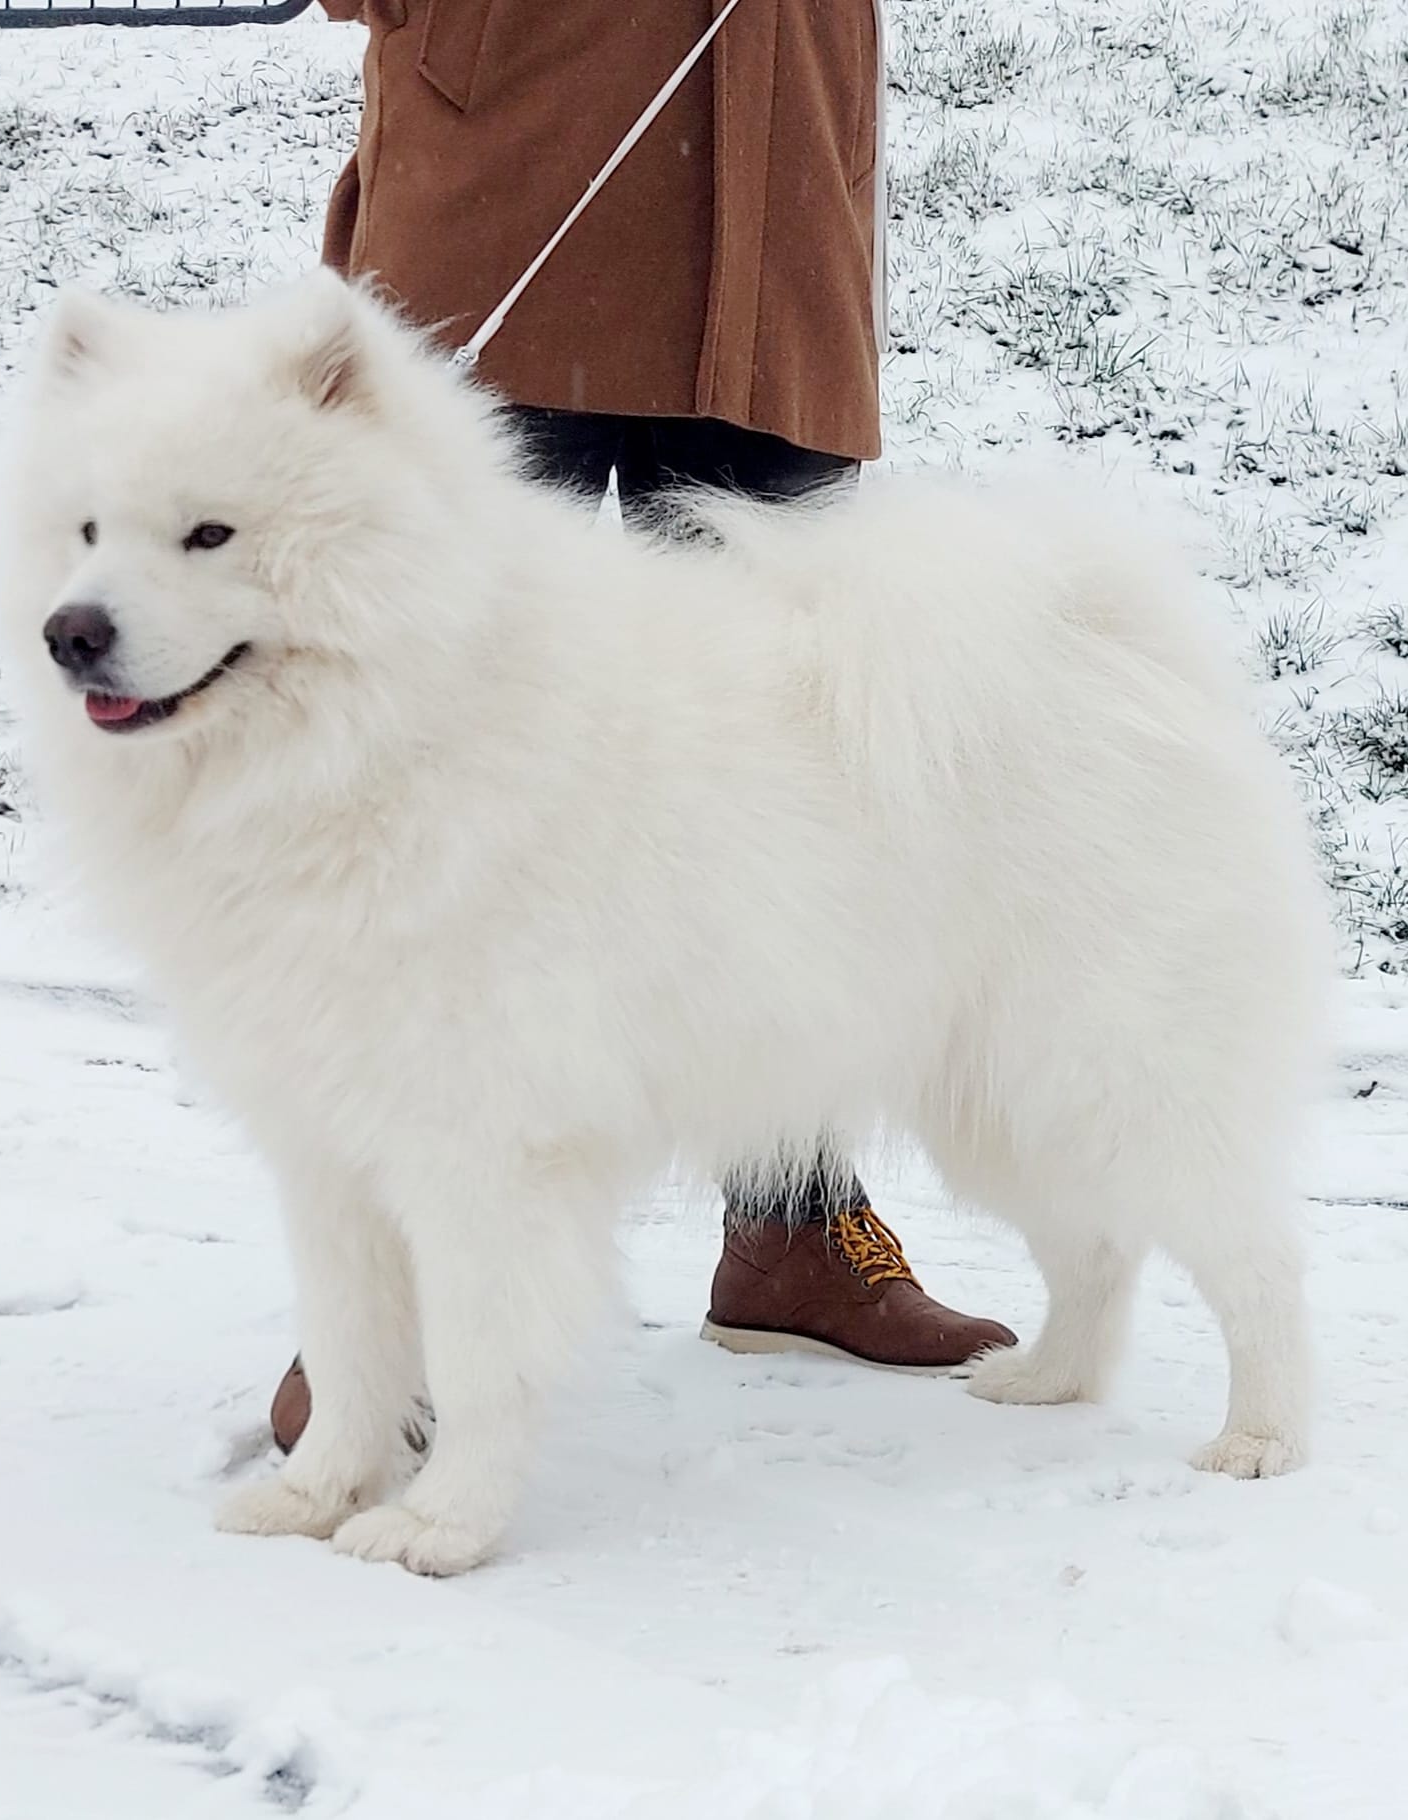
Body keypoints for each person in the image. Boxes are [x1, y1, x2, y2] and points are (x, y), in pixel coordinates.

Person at [270, 0, 1013, 1450]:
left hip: (777, 219)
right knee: (444, 793)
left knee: (790, 783)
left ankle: (789, 1219)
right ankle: (388, 1305)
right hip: (509, 193)